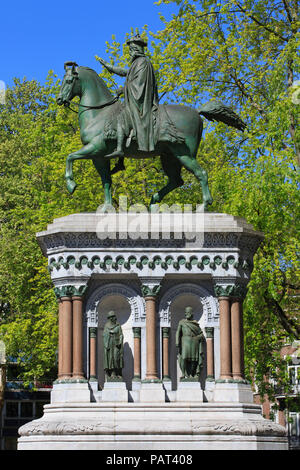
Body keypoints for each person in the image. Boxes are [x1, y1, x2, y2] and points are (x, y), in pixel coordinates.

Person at [98, 32, 159, 158]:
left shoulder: (143, 62)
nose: (130, 52)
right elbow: (126, 72)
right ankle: (120, 158)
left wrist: (123, 89)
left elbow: (139, 84)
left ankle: (120, 149)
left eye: (131, 50)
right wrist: (109, 67)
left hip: (140, 101)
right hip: (135, 98)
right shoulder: (137, 63)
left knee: (121, 116)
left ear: (136, 49)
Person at [175, 306, 204, 379]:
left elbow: (201, 334)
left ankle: (192, 374)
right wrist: (177, 342)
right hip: (185, 341)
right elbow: (178, 332)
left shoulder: (195, 324)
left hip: (194, 341)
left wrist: (198, 337)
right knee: (184, 358)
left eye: (188, 312)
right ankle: (183, 374)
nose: (187, 314)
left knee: (194, 360)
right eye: (186, 312)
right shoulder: (182, 322)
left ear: (192, 313)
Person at [103, 311, 124, 379]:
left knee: (116, 358)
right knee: (110, 359)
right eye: (113, 317)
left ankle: (118, 373)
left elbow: (121, 335)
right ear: (110, 318)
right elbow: (104, 335)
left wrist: (120, 341)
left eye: (114, 316)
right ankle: (111, 373)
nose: (115, 318)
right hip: (109, 344)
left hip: (116, 344)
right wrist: (109, 335)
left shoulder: (118, 326)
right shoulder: (106, 326)